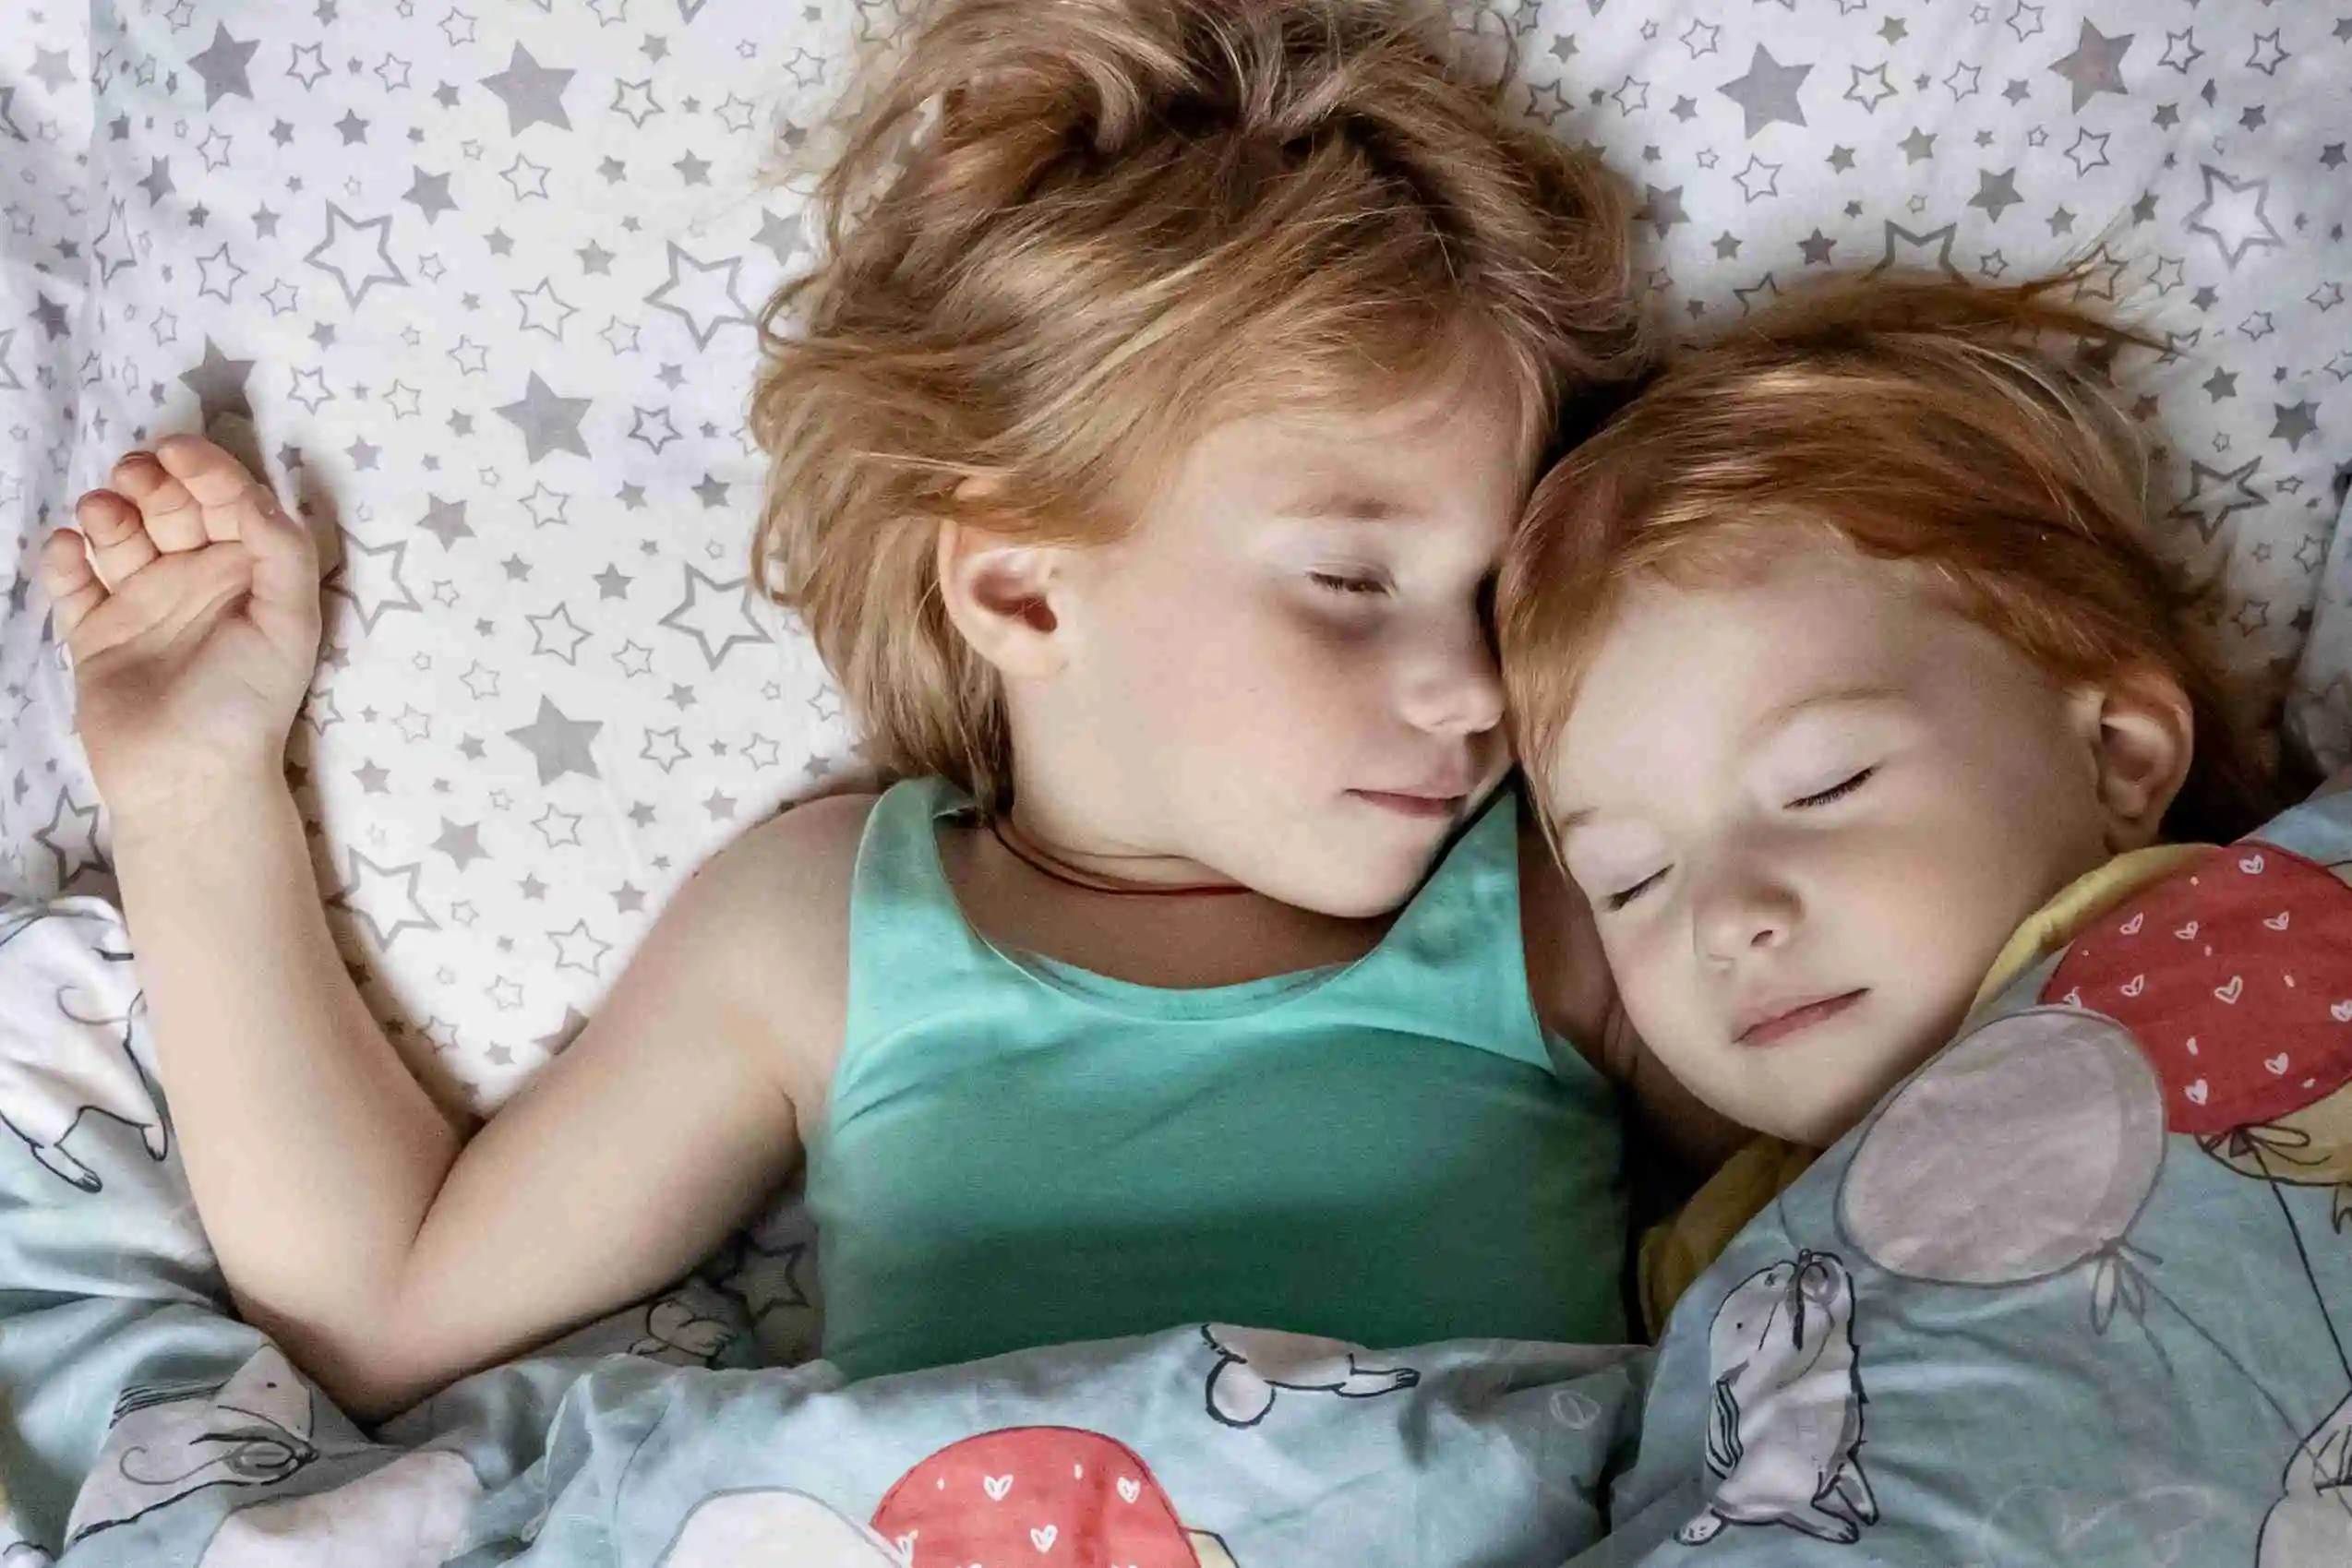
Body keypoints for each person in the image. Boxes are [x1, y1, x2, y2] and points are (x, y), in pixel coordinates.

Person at [35, 0, 1694, 1422]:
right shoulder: (827, 933)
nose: (1474, 684)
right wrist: (192, 789)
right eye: (1349, 579)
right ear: (1020, 589)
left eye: (1498, 595)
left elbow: (1895, 1138)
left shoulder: (1565, 902)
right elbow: (382, 1309)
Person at [1494, 272, 2295, 1330]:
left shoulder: (2268, 954)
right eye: (1628, 880)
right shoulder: (1713, 1275)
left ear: (2118, 754)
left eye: (1825, 784)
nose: (1724, 919)